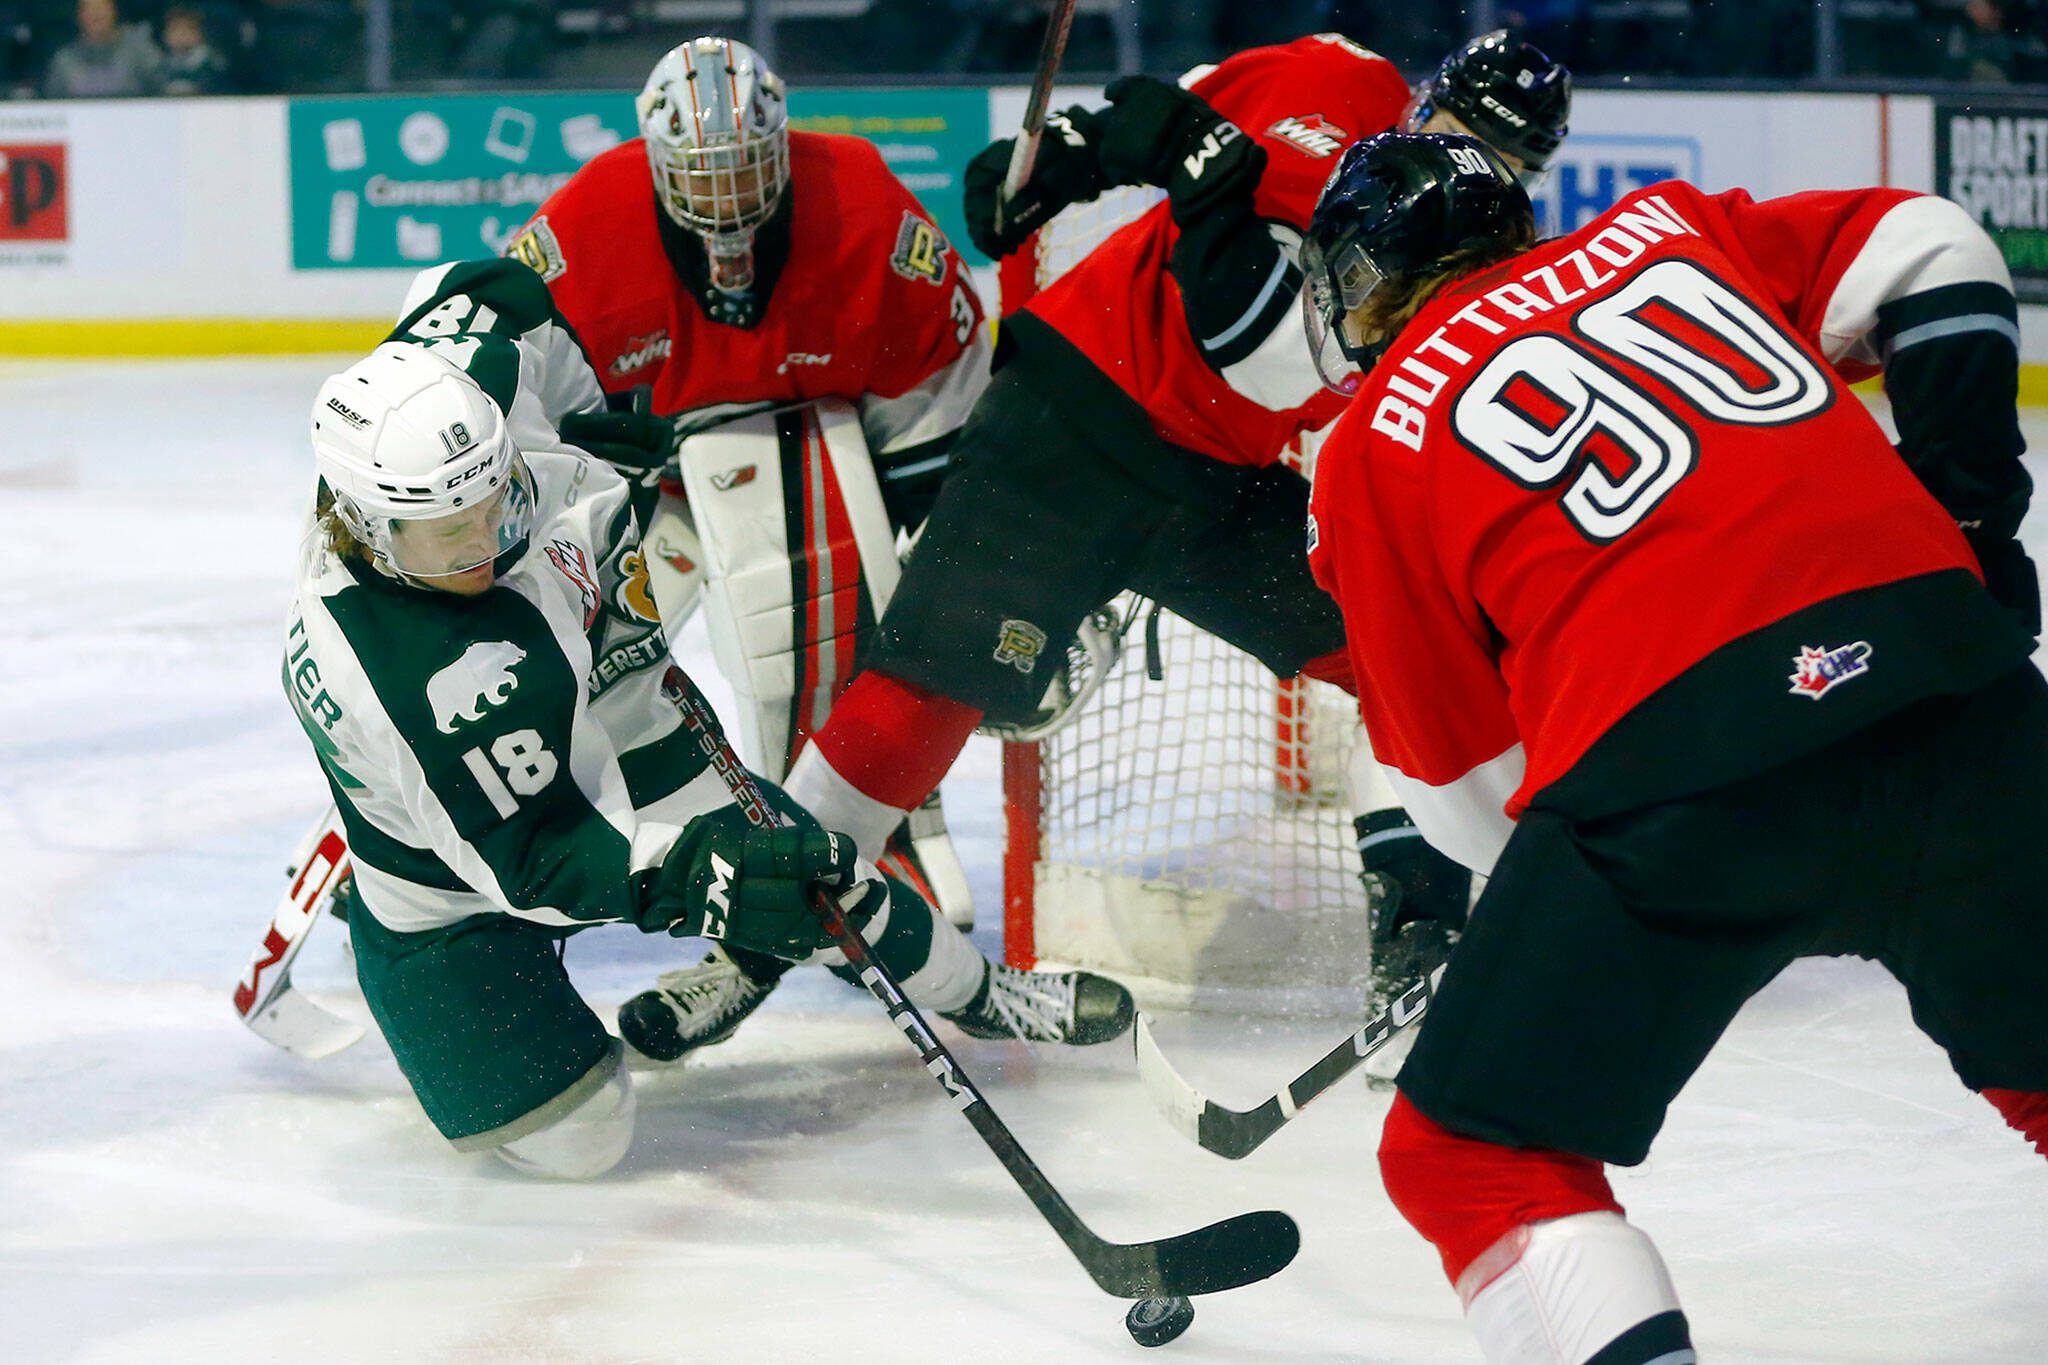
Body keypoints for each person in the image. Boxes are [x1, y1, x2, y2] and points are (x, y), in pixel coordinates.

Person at [1297, 130, 2048, 1363]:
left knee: (1471, 1155)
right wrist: (1971, 518)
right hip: (1951, 687)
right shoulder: (1667, 232)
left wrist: (1539, 903)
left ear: (1365, 276)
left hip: (1678, 778)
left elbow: (1452, 778)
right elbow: (1930, 240)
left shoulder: (1370, 441)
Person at [254, 34, 997, 1067]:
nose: (728, 198)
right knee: (503, 689)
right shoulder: (585, 230)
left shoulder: (862, 201)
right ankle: (395, 834)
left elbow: (936, 387)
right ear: (653, 166)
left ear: (783, 149)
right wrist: (580, 451)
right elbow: (474, 399)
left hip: (790, 448)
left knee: (781, 621)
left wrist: (928, 541)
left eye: (746, 167)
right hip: (625, 487)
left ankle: (867, 826)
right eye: (700, 173)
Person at [781, 31, 1570, 1001]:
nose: (1472, 159)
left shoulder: (1476, 253)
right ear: (1420, 98)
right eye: (1460, 127)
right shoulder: (1329, 75)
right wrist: (1067, 157)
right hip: (1077, 409)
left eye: (1511, 157)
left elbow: (1259, 350)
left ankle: (1421, 947)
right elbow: (1177, 108)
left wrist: (1201, 173)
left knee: (1402, 654)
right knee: (932, 680)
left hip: (1223, 480)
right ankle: (759, 919)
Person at [283, 332, 1134, 1179]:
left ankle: (981, 994)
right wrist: (704, 872)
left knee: (819, 876)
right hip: (459, 890)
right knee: (582, 1139)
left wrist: (591, 410)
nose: (483, 543)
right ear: (365, 523)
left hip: (606, 730)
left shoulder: (475, 411)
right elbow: (542, 860)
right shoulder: (398, 675)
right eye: (447, 533)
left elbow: (492, 294)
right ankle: (409, 952)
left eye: (495, 501)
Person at [43, 0, 160, 98]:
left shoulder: (141, 53)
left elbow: (162, 90)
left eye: (101, 8)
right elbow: (52, 104)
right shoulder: (64, 60)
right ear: (79, 16)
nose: (96, 14)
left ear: (114, 12)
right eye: (89, 9)